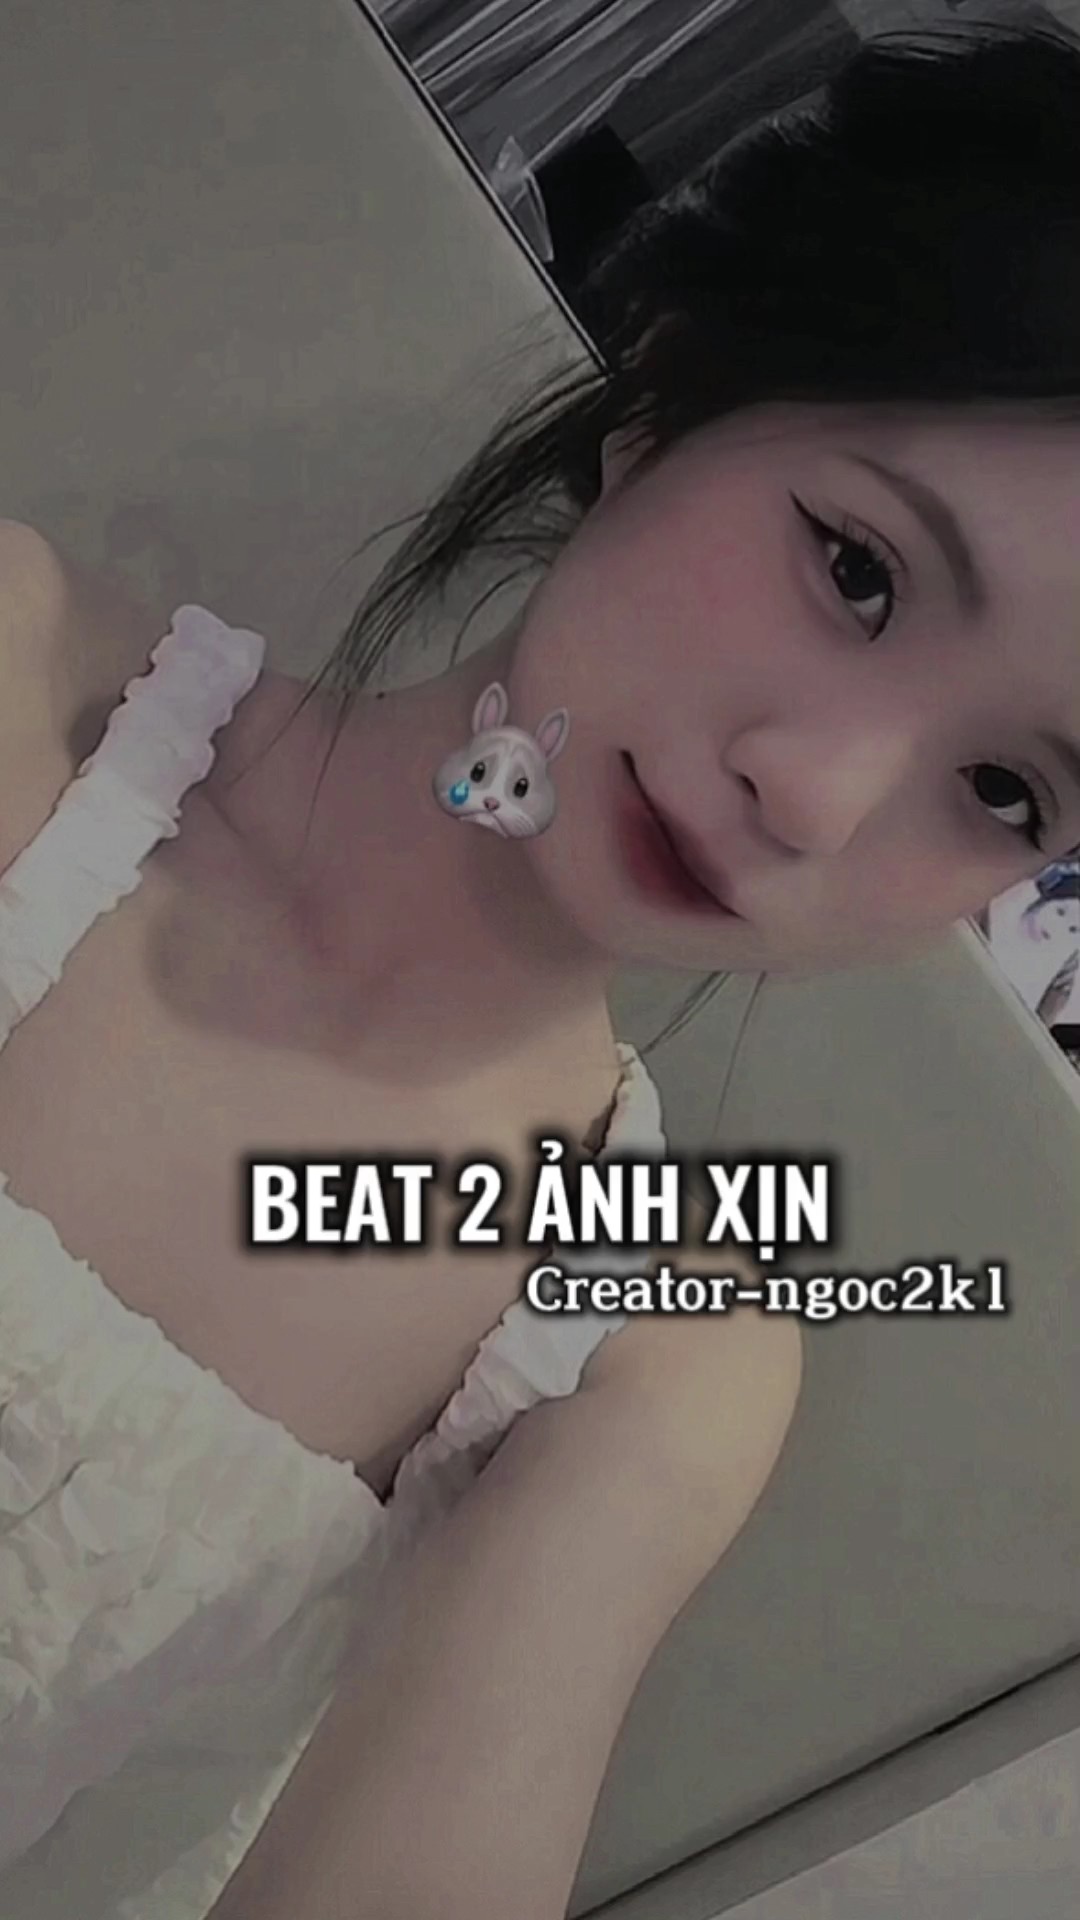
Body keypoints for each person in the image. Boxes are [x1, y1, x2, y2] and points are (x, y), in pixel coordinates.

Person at [3, 20, 1080, 1920]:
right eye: (856, 570)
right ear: (666, 394)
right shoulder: (18, 690)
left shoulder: (657, 1344)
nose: (816, 794)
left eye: (1004, 790)